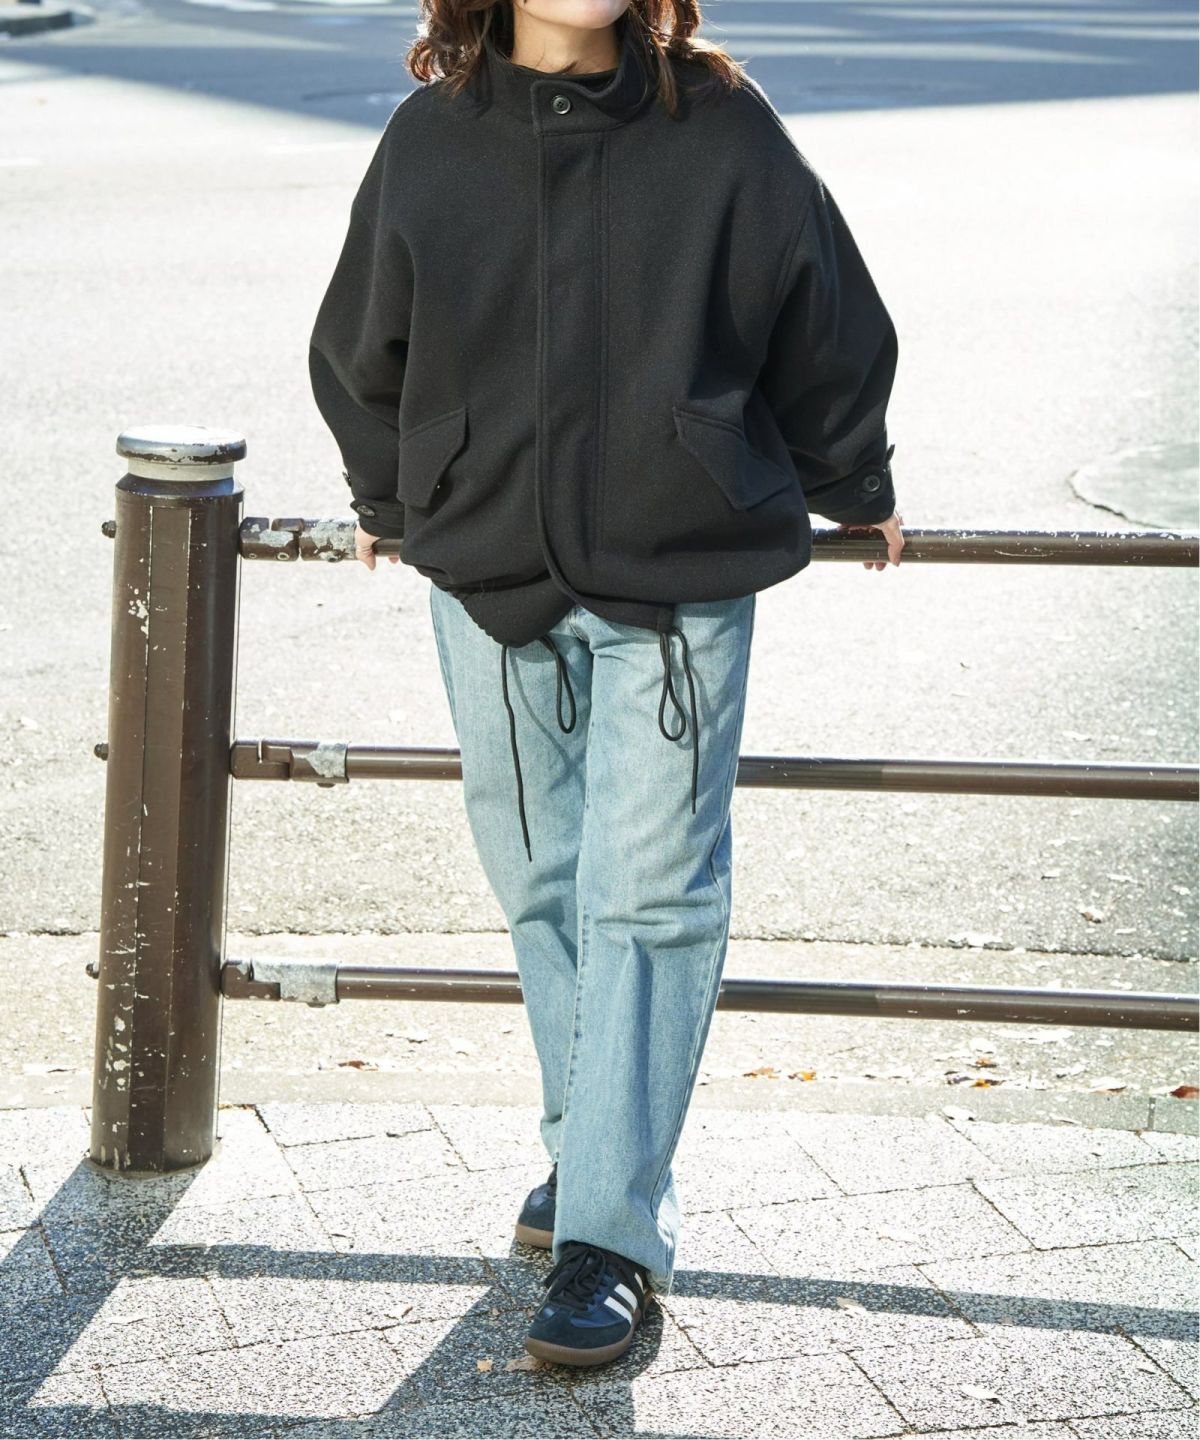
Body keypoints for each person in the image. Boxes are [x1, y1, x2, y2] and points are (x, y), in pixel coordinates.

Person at [308, 0, 905, 1369]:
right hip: (492, 571)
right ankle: (592, 1156)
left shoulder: (724, 128)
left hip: (675, 569)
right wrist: (390, 495)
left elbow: (824, 314)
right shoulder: (431, 137)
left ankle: (610, 1236)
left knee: (650, 894)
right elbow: (361, 342)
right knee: (540, 881)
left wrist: (855, 477)